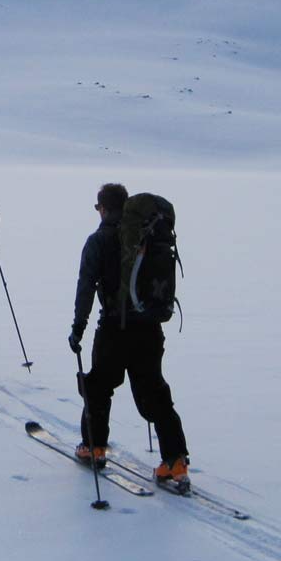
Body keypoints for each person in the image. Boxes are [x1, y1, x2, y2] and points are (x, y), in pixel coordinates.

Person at [68, 182, 190, 490]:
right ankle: (175, 461)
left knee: (98, 387)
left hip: (113, 328)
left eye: (98, 208)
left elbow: (86, 286)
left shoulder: (98, 241)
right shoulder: (145, 238)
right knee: (155, 391)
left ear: (104, 208)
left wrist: (77, 327)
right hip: (149, 328)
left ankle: (94, 447)